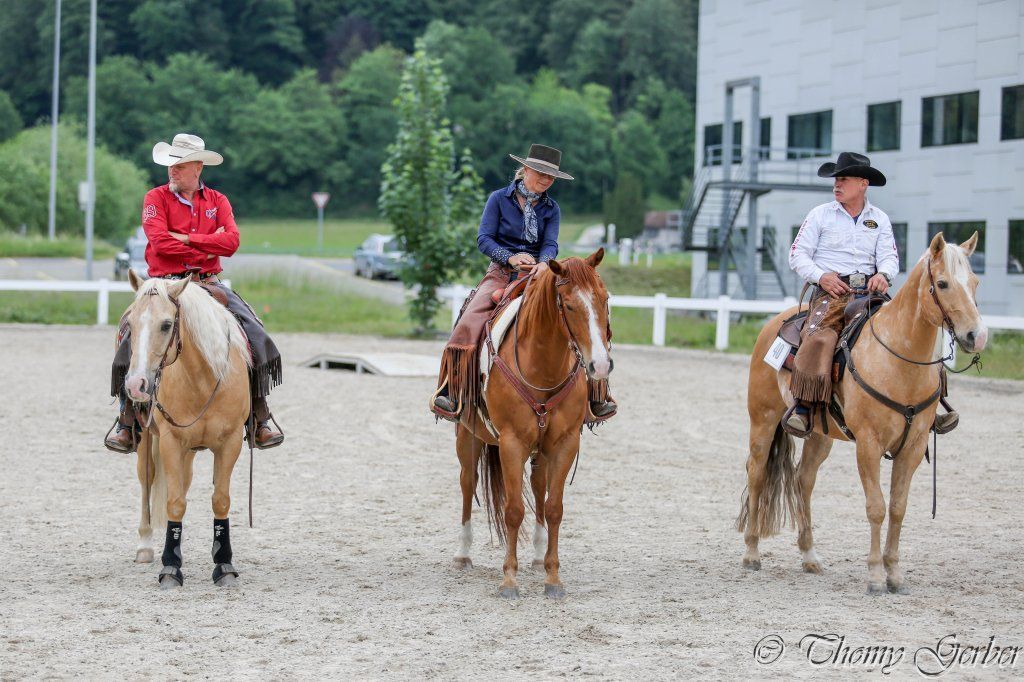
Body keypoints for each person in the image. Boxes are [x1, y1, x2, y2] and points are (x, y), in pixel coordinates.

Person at [104, 133, 284, 452]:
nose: (172, 170)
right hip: (163, 284)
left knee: (253, 332)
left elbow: (232, 243)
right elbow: (160, 241)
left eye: (180, 165)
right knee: (129, 334)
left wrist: (187, 240)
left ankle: (259, 415)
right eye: (170, 165)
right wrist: (205, 239)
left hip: (208, 282)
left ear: (197, 167)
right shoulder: (155, 198)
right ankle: (127, 418)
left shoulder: (218, 201)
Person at [430, 143, 616, 421]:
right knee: (469, 320)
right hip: (502, 272)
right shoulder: (498, 199)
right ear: (526, 169)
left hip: (541, 274)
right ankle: (453, 391)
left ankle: (596, 395)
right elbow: (484, 239)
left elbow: (551, 243)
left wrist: (543, 262)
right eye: (541, 172)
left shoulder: (552, 209)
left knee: (588, 315)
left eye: (551, 176)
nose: (546, 180)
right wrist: (510, 258)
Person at [784, 151, 898, 436]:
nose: (837, 184)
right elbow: (797, 255)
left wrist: (884, 275)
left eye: (844, 179)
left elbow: (890, 258)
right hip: (831, 293)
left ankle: (930, 403)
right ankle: (804, 404)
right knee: (820, 335)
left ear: (863, 184)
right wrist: (821, 276)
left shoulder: (880, 219)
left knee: (905, 331)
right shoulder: (820, 215)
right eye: (836, 179)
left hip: (869, 294)